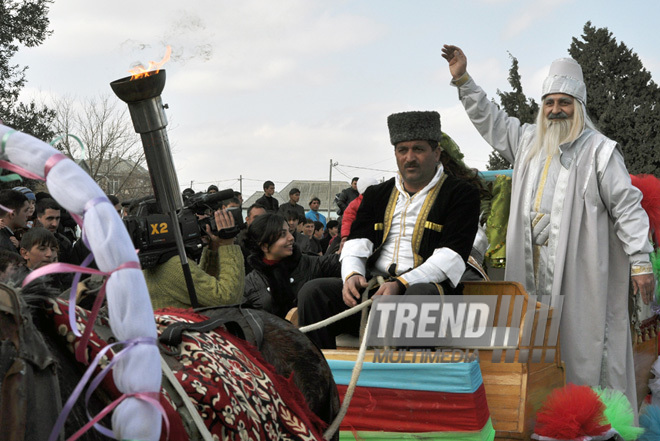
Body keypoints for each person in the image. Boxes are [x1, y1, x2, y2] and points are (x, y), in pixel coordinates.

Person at [442, 44, 655, 410]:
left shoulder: (601, 151)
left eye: (564, 102)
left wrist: (639, 260)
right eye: (549, 102)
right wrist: (463, 79)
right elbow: (490, 120)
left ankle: (591, 420)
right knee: (534, 347)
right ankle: (540, 418)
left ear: (579, 107)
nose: (556, 109)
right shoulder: (527, 141)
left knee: (582, 346)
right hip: (530, 273)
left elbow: (628, 206)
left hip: (582, 274)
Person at [298, 110, 480, 349]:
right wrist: (352, 275)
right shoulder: (377, 194)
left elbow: (451, 257)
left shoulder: (461, 194)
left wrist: (401, 283)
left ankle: (410, 383)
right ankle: (321, 379)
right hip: (376, 291)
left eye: (419, 149)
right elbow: (356, 242)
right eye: (402, 150)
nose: (409, 157)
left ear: (436, 153)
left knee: (418, 296)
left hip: (430, 297)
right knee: (313, 292)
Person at [142, 208, 245, 309]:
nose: (204, 218)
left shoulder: (156, 261)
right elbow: (227, 298)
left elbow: (202, 290)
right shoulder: (173, 265)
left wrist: (214, 248)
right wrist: (228, 244)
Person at [243, 213, 340, 318]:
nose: (291, 238)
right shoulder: (250, 285)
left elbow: (338, 263)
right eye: (283, 234)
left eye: (289, 231)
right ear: (265, 246)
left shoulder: (311, 264)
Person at [35, 198, 73, 264]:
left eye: (57, 218)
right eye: (50, 218)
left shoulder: (64, 242)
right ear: (38, 217)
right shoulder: (26, 240)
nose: (54, 224)